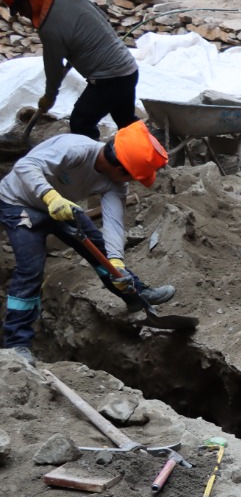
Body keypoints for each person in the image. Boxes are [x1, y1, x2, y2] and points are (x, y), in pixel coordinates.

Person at [0, 121, 174, 364]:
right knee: (30, 270)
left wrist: (116, 262)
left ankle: (135, 294)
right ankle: (17, 344)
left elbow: (113, 223)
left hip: (60, 206)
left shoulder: (115, 183)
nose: (132, 181)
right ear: (122, 168)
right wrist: (50, 196)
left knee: (100, 250)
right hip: (18, 202)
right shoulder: (74, 148)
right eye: (133, 176)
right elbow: (26, 166)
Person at [0, 0, 140, 139]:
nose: (22, 15)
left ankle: (93, 161)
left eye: (21, 8)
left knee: (81, 122)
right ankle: (148, 157)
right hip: (128, 69)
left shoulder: (49, 28)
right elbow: (100, 16)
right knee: (126, 122)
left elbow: (53, 69)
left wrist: (49, 98)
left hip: (109, 79)